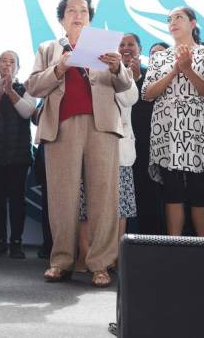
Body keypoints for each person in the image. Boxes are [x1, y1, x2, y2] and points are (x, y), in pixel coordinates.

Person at [26, 0, 132, 288]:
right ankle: (61, 261)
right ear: (61, 19)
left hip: (102, 126)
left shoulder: (105, 48)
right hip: (62, 127)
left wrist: (117, 67)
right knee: (62, 197)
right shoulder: (49, 48)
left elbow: (124, 85)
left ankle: (101, 264)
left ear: (90, 18)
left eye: (83, 10)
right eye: (71, 10)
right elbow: (33, 86)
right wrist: (60, 67)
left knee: (104, 198)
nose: (78, 15)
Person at [142, 7, 204, 238]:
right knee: (172, 191)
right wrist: (175, 70)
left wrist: (187, 69)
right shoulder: (159, 57)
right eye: (169, 19)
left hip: (196, 130)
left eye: (179, 18)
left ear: (193, 23)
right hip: (166, 129)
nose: (173, 22)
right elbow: (147, 94)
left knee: (199, 190)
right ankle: (173, 247)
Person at [76, 34, 140, 270]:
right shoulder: (95, 71)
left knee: (120, 206)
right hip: (91, 143)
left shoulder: (124, 74)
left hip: (120, 149)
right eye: (121, 45)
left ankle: (115, 256)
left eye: (130, 45)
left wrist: (120, 72)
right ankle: (84, 254)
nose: (125, 48)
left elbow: (129, 99)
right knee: (85, 205)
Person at [0, 50, 36, 260]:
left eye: (12, 62)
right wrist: (0, 92)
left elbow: (27, 112)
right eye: (3, 62)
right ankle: (0, 241)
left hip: (19, 156)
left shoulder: (28, 87)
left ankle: (16, 243)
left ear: (18, 68)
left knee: (17, 201)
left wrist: (10, 90)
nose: (7, 65)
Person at [129, 41, 168, 234]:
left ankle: (155, 240)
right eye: (153, 54)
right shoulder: (133, 75)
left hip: (159, 147)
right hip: (132, 145)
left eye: (161, 54)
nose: (156, 58)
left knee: (155, 196)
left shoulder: (173, 78)